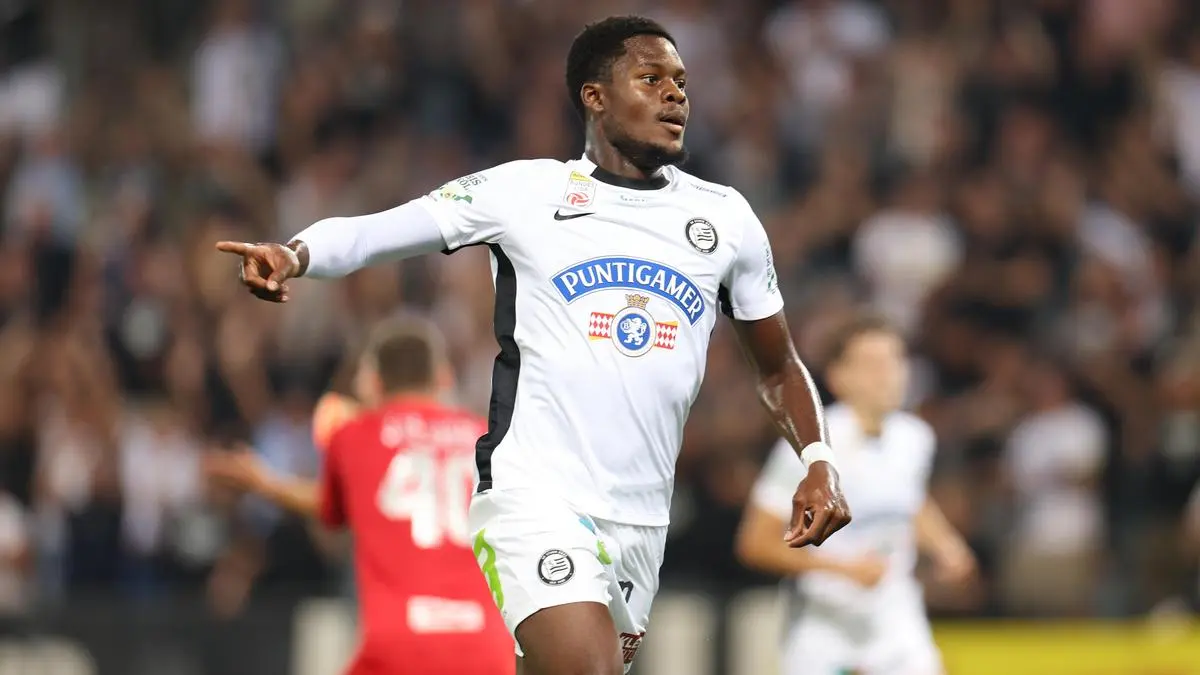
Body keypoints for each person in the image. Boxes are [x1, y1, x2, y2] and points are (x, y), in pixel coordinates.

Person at [216, 15, 852, 675]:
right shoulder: (525, 193)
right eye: (651, 78)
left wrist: (819, 459)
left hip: (641, 519)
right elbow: (379, 231)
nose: (675, 95)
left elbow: (777, 367)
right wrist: (295, 253)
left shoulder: (725, 218)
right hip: (534, 497)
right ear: (595, 96)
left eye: (682, 83)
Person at [205, 318, 515, 675]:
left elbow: (332, 510)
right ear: (444, 378)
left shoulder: (353, 435)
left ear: (372, 382)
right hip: (488, 648)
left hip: (398, 644)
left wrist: (266, 483)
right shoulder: (485, 438)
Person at [736, 314, 976, 675]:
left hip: (895, 622)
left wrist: (946, 545)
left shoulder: (914, 438)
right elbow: (755, 543)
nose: (888, 374)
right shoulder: (809, 449)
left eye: (895, 360)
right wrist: (843, 570)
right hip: (824, 631)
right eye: (872, 364)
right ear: (838, 377)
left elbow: (910, 501)